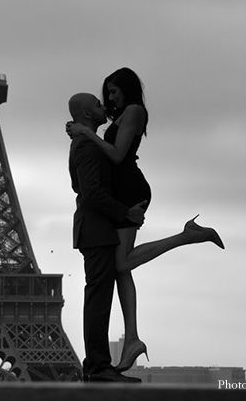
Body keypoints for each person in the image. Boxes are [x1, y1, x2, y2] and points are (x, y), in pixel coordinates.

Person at [68, 68, 224, 371]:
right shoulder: (118, 117)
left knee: (122, 264)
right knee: (119, 267)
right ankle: (133, 339)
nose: (109, 98)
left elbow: (116, 156)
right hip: (118, 194)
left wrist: (87, 132)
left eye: (113, 91)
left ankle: (187, 236)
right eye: (106, 94)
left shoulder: (136, 111)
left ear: (127, 88)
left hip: (129, 192)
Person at [69, 92, 148, 383]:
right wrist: (126, 213)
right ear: (87, 114)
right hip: (97, 230)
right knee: (99, 300)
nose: (105, 106)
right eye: (98, 105)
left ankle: (98, 365)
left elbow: (77, 185)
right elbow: (91, 192)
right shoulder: (89, 147)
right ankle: (98, 366)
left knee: (98, 298)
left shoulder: (82, 143)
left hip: (92, 228)